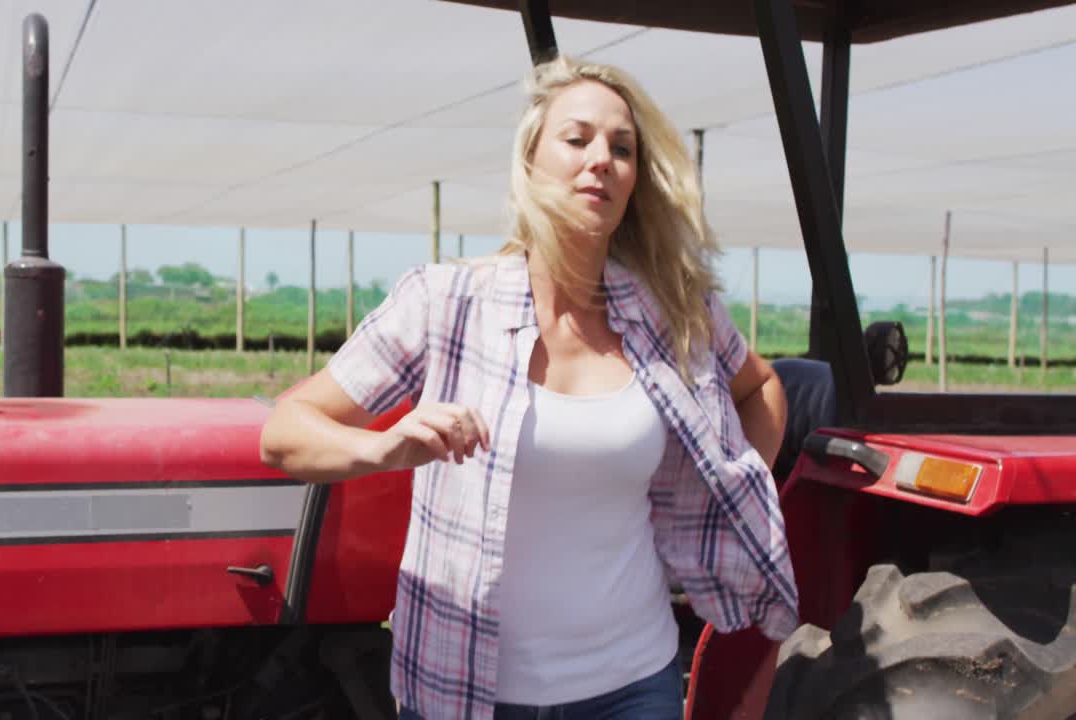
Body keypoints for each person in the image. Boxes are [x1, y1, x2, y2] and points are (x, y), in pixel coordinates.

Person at [260, 56, 796, 720]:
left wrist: (722, 496)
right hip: (466, 691)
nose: (601, 160)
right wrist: (383, 448)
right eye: (577, 139)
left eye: (621, 148)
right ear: (531, 161)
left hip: (635, 685)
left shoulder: (676, 311)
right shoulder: (445, 302)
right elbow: (284, 431)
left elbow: (761, 389)